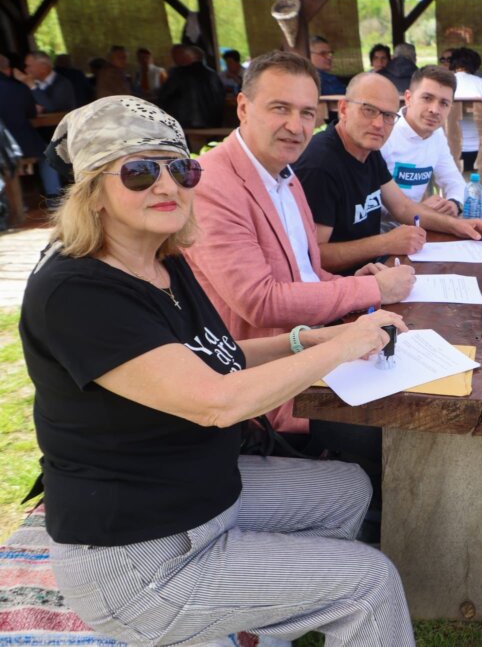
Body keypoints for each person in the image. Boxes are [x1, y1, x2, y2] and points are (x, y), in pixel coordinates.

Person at [19, 94, 415, 647]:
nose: (167, 186)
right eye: (139, 172)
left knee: (347, 488)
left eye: (181, 170)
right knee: (369, 581)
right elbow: (215, 400)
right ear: (93, 191)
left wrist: (306, 339)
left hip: (198, 493)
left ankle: (261, 620)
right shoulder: (76, 291)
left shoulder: (161, 258)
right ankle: (259, 613)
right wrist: (343, 346)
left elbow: (215, 355)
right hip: (139, 554)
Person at [184, 51, 414, 437]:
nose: (296, 126)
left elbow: (306, 271)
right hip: (267, 388)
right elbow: (260, 301)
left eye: (307, 113)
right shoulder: (212, 185)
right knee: (402, 430)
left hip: (316, 349)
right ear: (243, 107)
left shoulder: (286, 175)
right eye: (280, 108)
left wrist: (353, 282)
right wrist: (372, 288)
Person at [294, 71, 482, 275]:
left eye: (388, 115)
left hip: (376, 267)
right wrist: (386, 242)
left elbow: (403, 207)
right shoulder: (319, 165)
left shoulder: (368, 149)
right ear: (344, 109)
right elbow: (313, 257)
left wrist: (457, 225)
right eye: (368, 110)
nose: (378, 124)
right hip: (342, 282)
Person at [380, 65, 466, 224]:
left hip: (416, 224)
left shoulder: (437, 134)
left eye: (444, 103)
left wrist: (454, 203)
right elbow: (364, 202)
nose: (435, 110)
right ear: (408, 98)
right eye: (427, 98)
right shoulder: (384, 132)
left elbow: (453, 180)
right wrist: (418, 209)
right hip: (376, 230)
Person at [17, 51, 75, 208]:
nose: (26, 70)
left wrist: (32, 87)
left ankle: (54, 200)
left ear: (43, 67)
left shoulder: (63, 83)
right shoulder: (31, 86)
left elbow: (51, 106)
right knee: (42, 152)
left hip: (65, 136)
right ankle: (52, 200)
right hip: (41, 136)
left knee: (47, 153)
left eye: (29, 66)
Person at [450, 47, 482, 173]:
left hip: (448, 148)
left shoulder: (445, 83)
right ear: (476, 65)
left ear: (453, 63)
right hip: (479, 149)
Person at [158, 45, 225, 129]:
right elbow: (220, 96)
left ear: (185, 56)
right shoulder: (212, 74)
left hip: (186, 123)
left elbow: (164, 97)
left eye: (175, 55)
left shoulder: (178, 74)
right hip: (214, 122)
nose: (173, 59)